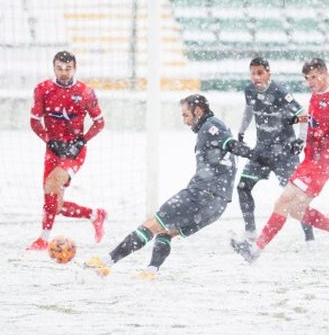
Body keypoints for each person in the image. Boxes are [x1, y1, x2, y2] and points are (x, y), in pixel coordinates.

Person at [84, 94, 261, 279]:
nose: (184, 121)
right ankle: (150, 272)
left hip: (201, 194)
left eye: (186, 115)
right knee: (167, 231)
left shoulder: (211, 126)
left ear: (198, 111)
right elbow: (228, 147)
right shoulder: (211, 128)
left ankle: (106, 261)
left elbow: (231, 144)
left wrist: (254, 154)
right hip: (218, 206)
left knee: (151, 224)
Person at [231, 58, 329, 263]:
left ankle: (254, 252)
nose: (310, 82)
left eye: (314, 77)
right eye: (307, 78)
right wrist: (298, 135)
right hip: (308, 161)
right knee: (296, 210)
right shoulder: (315, 96)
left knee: (283, 202)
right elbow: (309, 119)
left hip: (321, 164)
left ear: (325, 73)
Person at [26, 51, 107, 251]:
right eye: (60, 69)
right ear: (53, 68)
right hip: (53, 150)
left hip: (74, 152)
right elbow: (34, 122)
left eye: (68, 69)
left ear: (75, 69)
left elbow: (99, 122)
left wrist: (82, 141)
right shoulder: (43, 89)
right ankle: (95, 215)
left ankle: (43, 239)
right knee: (55, 204)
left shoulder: (85, 91)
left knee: (53, 182)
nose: (64, 73)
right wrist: (48, 139)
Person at [235, 57, 314, 242]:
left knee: (296, 197)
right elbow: (249, 110)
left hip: (284, 153)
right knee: (243, 187)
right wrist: (241, 131)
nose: (256, 77)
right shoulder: (249, 91)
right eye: (253, 73)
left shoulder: (280, 92)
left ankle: (309, 236)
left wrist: (300, 141)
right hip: (261, 151)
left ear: (268, 73)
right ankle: (250, 231)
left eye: (260, 72)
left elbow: (303, 115)